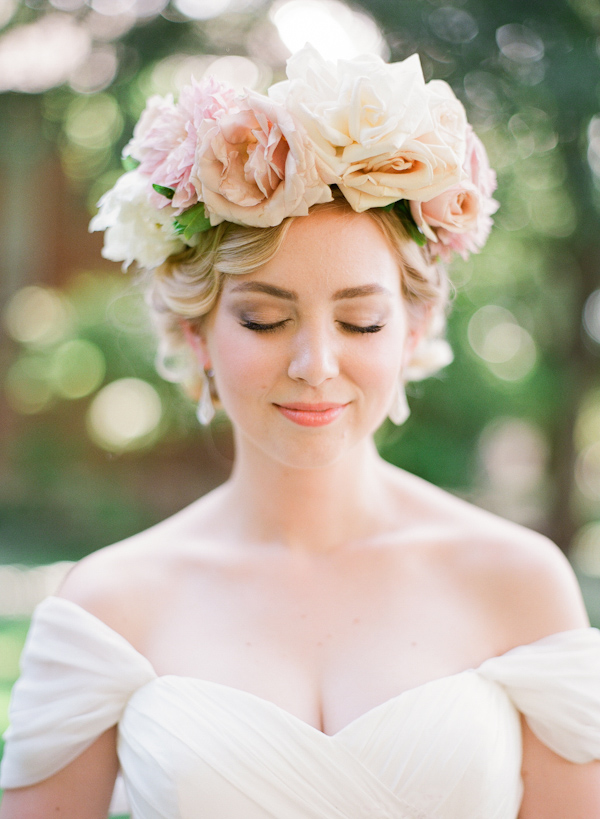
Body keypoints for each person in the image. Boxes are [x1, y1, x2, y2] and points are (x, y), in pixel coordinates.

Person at [1, 45, 600, 819]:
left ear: (413, 332)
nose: (316, 364)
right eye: (264, 317)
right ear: (196, 335)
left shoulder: (521, 583)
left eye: (360, 319)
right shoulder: (110, 606)